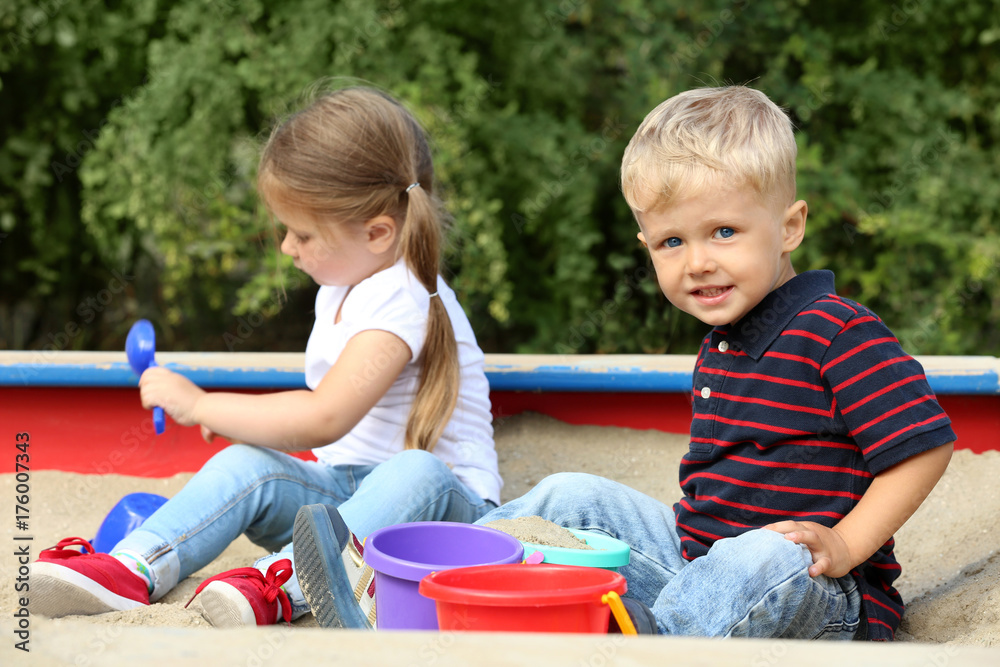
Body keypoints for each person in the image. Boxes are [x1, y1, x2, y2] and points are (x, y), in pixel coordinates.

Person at [292, 85, 955, 640]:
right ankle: (420, 587)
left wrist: (844, 545)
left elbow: (923, 447)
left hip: (819, 587)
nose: (698, 260)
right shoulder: (724, 341)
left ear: (789, 226)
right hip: (693, 563)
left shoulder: (837, 331)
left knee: (763, 552)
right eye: (672, 241)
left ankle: (643, 641)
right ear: (646, 245)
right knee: (569, 492)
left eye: (724, 231)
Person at [30, 86, 502, 628]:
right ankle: (134, 567)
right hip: (348, 498)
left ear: (377, 232)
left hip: (448, 521)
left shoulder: (403, 295)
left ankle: (281, 584)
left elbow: (323, 417)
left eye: (302, 234)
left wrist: (203, 405)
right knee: (245, 463)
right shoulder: (343, 287)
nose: (285, 247)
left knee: (416, 471)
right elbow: (318, 439)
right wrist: (241, 425)